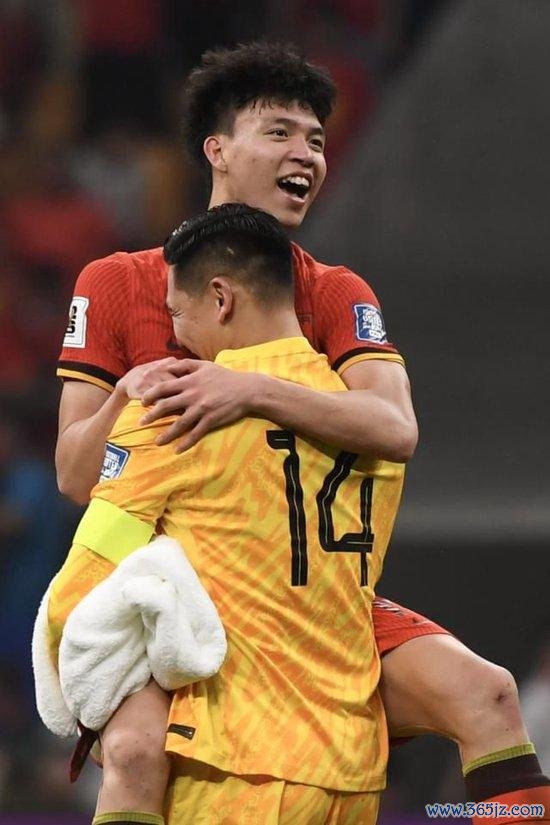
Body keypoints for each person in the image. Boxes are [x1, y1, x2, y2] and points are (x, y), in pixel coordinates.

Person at [55, 43, 549, 822]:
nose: (306, 155)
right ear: (218, 149)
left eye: (317, 140)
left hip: (310, 588)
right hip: (181, 591)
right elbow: (75, 476)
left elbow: (394, 427)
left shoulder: (334, 292)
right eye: (281, 132)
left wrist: (248, 387)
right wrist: (125, 394)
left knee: (488, 693)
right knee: (138, 751)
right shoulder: (117, 282)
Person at [48, 202, 404, 824]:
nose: (178, 336)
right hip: (353, 763)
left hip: (237, 763)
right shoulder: (362, 422)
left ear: (221, 299)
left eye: (177, 315)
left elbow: (83, 587)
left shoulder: (179, 411)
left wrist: (92, 700)